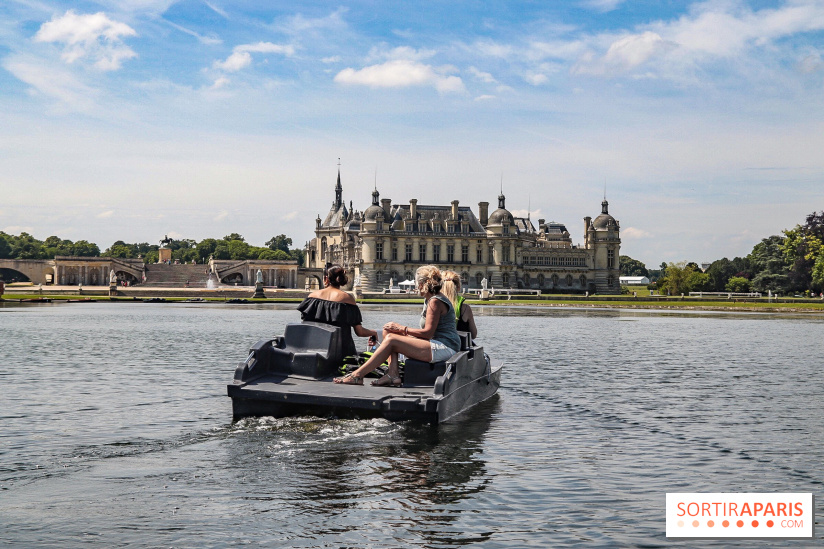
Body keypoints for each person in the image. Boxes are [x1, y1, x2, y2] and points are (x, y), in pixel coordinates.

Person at [335, 265, 461, 386]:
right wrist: (398, 330)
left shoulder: (435, 301)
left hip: (445, 347)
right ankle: (393, 375)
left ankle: (357, 375)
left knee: (392, 339)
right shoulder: (431, 298)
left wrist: (402, 329)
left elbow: (427, 333)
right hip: (436, 343)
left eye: (417, 284)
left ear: (422, 284)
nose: (416, 287)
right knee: (388, 332)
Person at [297, 264, 377, 358]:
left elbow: (305, 326)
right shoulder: (347, 299)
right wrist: (374, 333)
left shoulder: (312, 297)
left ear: (326, 279)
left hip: (312, 350)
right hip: (340, 353)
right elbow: (360, 332)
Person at [441, 270, 478, 339]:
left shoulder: (436, 305)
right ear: (458, 288)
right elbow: (474, 335)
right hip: (459, 345)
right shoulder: (466, 309)